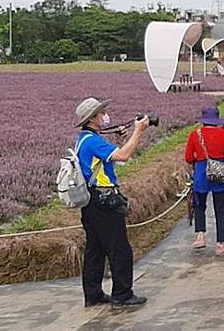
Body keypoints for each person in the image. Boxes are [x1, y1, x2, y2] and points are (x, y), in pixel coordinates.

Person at [74, 97, 150, 308]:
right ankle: (122, 294)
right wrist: (138, 132)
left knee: (95, 250)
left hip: (90, 203)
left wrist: (120, 138)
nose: (105, 115)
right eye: (101, 112)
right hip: (104, 202)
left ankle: (94, 294)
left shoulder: (84, 139)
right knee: (120, 249)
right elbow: (124, 156)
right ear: (92, 119)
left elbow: (104, 158)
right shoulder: (93, 141)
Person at [185, 107, 224, 256]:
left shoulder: (195, 135)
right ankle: (221, 243)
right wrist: (220, 159)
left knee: (199, 205)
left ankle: (200, 236)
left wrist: (199, 158)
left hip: (201, 172)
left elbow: (188, 158)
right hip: (219, 172)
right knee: (220, 208)